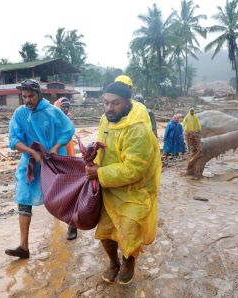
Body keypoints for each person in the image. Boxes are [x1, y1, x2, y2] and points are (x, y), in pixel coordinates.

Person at [85, 82, 161, 285]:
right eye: (106, 103)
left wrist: (99, 173)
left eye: (115, 103)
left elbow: (134, 169)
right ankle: (113, 262)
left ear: (128, 102)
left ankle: (128, 262)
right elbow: (104, 146)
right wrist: (93, 151)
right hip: (108, 187)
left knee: (129, 232)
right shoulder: (105, 120)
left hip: (134, 191)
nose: (109, 108)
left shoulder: (138, 130)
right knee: (106, 232)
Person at [6, 79, 74, 259]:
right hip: (30, 164)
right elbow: (13, 139)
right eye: (24, 96)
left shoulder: (53, 111)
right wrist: (32, 153)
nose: (27, 100)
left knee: (61, 196)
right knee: (23, 198)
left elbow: (68, 129)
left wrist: (54, 147)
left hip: (53, 161)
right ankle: (24, 247)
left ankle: (72, 222)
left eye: (31, 96)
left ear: (39, 94)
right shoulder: (19, 114)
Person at [54, 97, 77, 240]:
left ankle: (72, 225)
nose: (66, 108)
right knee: (57, 192)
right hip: (55, 159)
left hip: (69, 158)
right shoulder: (52, 120)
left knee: (69, 193)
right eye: (63, 106)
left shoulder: (68, 121)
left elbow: (69, 141)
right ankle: (58, 220)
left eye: (68, 106)